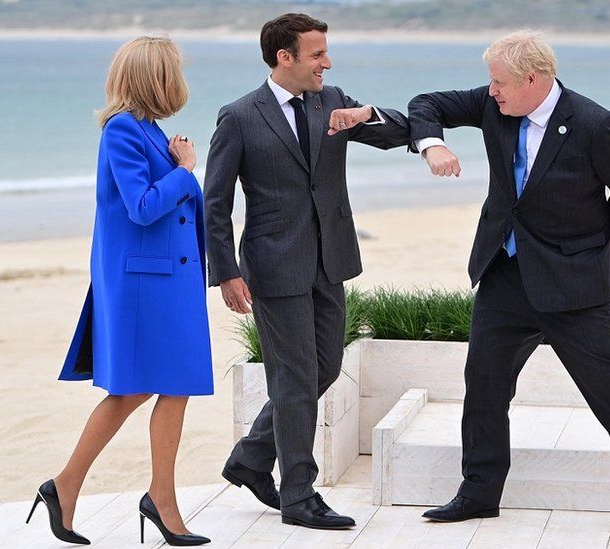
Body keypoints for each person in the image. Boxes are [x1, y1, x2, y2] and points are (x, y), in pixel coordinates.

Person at [409, 30, 610, 536]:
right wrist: (432, 143)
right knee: (484, 386)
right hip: (505, 279)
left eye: (499, 82)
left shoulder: (595, 124)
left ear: (533, 79)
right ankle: (479, 494)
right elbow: (426, 104)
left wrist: (594, 245)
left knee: (609, 392)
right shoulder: (495, 106)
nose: (491, 91)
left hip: (574, 288)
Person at [204, 13, 409, 530]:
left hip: (331, 259)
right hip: (274, 266)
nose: (328, 62)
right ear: (285, 58)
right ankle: (298, 494)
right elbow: (215, 202)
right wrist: (227, 272)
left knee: (320, 370)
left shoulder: (332, 98)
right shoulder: (239, 116)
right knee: (295, 378)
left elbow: (395, 133)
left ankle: (251, 457)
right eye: (317, 54)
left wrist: (364, 114)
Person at [27, 36, 213, 547]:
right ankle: (69, 486)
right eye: (173, 70)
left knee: (177, 386)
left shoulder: (151, 130)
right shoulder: (122, 132)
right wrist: (184, 171)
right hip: (142, 286)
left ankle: (156, 498)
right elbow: (143, 206)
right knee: (132, 389)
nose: (180, 79)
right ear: (156, 77)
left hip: (172, 284)